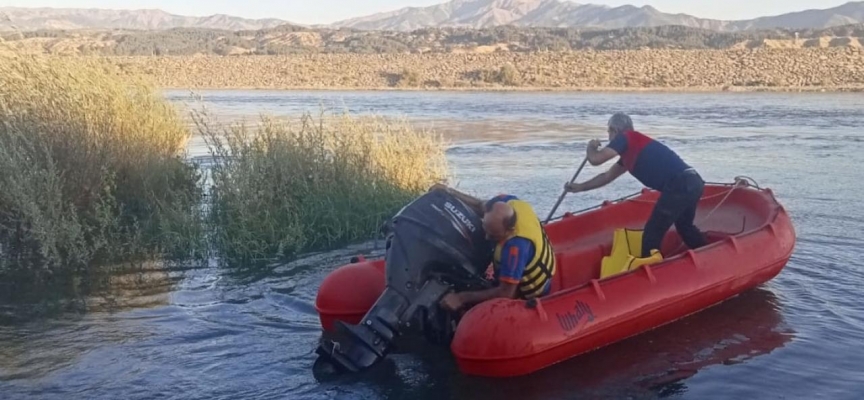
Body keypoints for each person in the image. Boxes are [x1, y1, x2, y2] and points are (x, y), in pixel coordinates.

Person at [564, 112, 707, 258]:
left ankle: (650, 270)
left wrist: (591, 147)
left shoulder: (626, 137)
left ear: (615, 130)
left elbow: (596, 159)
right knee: (685, 227)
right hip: (693, 181)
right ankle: (706, 253)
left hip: (680, 184)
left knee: (652, 232)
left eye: (608, 131)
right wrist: (580, 187)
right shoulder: (631, 150)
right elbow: (607, 176)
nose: (608, 136)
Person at [428, 184, 556, 312]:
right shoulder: (508, 201)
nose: (487, 237)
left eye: (494, 235)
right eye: (486, 231)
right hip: (522, 269)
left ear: (509, 230)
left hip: (531, 292)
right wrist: (449, 192)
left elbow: (506, 293)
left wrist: (461, 298)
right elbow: (480, 205)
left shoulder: (515, 247)